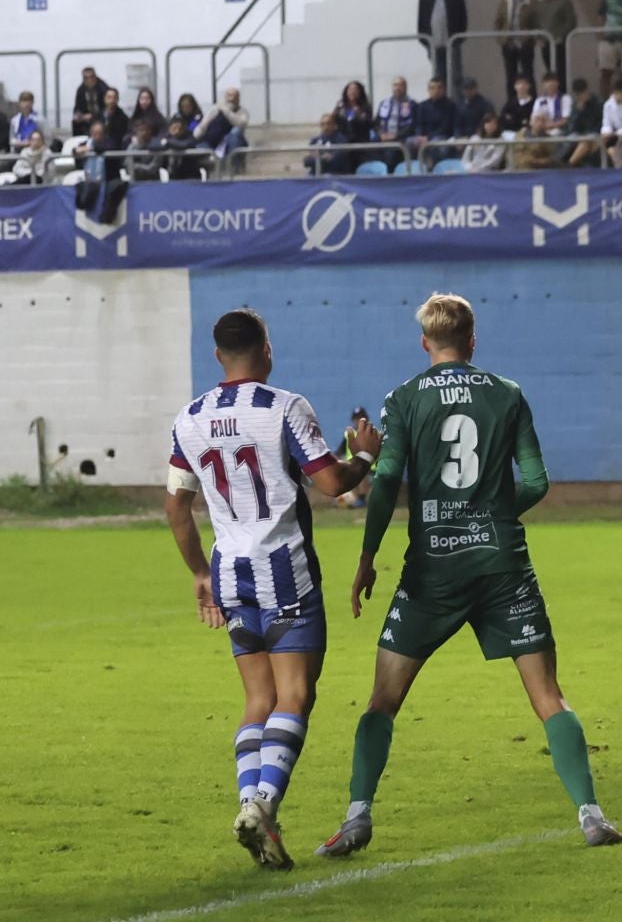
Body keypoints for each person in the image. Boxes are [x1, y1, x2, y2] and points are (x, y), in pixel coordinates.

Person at [316, 294, 622, 858]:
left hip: (433, 572)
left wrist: (367, 558)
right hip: (502, 566)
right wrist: (495, 512)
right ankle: (591, 814)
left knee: (382, 701)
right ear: (473, 339)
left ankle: (357, 816)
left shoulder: (404, 399)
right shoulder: (508, 394)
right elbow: (537, 479)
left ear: (425, 343)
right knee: (549, 696)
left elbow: (384, 483)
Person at [165, 309, 380, 871]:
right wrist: (364, 455)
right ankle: (262, 804)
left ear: (217, 356)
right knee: (296, 696)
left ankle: (251, 806)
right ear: (266, 349)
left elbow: (176, 507)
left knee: (258, 699)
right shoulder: (286, 407)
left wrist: (198, 575)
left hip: (230, 573)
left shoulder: (188, 418)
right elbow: (332, 484)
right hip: (284, 569)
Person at [417, 0, 470, 86]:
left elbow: (463, 17)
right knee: (438, 75)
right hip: (434, 44)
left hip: (451, 43)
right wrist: (424, 40)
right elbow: (421, 21)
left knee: (455, 75)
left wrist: (459, 38)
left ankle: (455, 101)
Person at [494, 0, 541, 88]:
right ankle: (512, 102)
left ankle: (530, 101)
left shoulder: (533, 3)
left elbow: (538, 22)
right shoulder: (505, 2)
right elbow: (498, 22)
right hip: (509, 43)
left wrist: (534, 38)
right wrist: (501, 39)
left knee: (528, 74)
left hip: (525, 43)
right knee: (510, 76)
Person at [537, 0, 578, 89]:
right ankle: (551, 95)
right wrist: (539, 38)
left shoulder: (565, 2)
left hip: (560, 43)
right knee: (550, 71)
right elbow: (537, 23)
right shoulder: (542, 4)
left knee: (561, 72)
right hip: (545, 44)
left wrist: (560, 37)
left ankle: (562, 95)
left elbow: (571, 22)